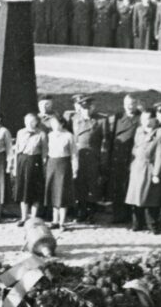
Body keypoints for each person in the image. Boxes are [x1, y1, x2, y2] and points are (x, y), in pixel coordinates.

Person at [125, 106, 161, 233]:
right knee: (135, 197)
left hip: (149, 168)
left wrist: (157, 173)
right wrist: (132, 164)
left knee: (151, 198)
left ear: (154, 119)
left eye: (147, 119)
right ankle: (137, 223)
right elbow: (135, 147)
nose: (145, 121)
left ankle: (152, 225)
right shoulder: (139, 130)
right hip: (137, 167)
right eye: (143, 119)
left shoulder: (160, 133)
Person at [71, 94, 105, 222]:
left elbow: (104, 141)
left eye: (88, 108)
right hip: (79, 156)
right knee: (79, 185)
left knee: (92, 185)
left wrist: (101, 158)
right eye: (83, 108)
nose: (86, 111)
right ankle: (81, 212)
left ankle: (91, 213)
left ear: (92, 108)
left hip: (92, 157)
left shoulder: (100, 121)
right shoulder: (75, 119)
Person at [108, 94, 140, 223]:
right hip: (119, 158)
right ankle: (118, 216)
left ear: (136, 103)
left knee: (132, 187)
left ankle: (132, 216)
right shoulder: (118, 117)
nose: (129, 106)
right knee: (118, 188)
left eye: (132, 103)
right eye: (127, 104)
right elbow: (111, 138)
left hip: (134, 157)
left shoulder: (140, 118)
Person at [12, 112, 48, 225]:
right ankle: (23, 217)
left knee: (34, 191)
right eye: (27, 121)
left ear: (37, 122)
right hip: (22, 161)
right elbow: (17, 150)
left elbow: (44, 152)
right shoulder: (20, 132)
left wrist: (44, 166)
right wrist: (14, 166)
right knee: (23, 190)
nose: (30, 123)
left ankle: (33, 218)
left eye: (32, 121)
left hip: (35, 162)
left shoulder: (41, 134)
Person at [44, 115, 77, 232]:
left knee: (62, 193)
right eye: (52, 124)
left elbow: (74, 153)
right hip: (52, 164)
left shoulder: (69, 136)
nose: (54, 126)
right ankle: (54, 221)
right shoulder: (50, 135)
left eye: (56, 123)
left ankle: (62, 222)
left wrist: (75, 168)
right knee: (53, 193)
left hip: (64, 165)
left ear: (62, 123)